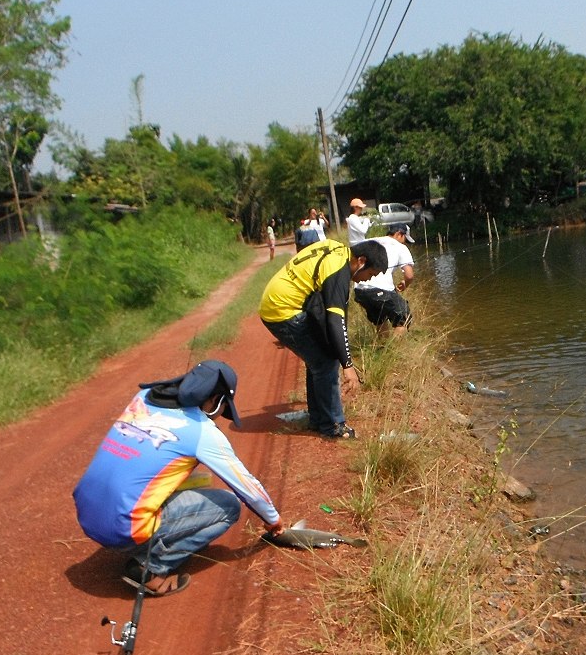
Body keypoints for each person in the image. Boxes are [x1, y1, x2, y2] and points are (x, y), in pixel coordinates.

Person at [73, 360, 284, 597]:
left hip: (85, 513)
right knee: (229, 505)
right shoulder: (203, 431)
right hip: (123, 530)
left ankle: (142, 539)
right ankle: (150, 568)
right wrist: (272, 520)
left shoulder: (142, 397)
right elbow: (247, 487)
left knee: (173, 476)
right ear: (215, 400)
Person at [259, 239, 388, 439]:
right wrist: (348, 366)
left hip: (277, 301)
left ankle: (319, 418)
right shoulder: (338, 270)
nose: (367, 280)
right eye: (370, 274)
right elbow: (335, 321)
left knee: (317, 359)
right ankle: (333, 426)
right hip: (282, 311)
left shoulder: (336, 249)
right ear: (361, 261)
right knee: (326, 363)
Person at [353, 222, 416, 338]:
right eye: (405, 239)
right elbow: (409, 275)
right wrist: (405, 284)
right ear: (399, 234)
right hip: (381, 289)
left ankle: (383, 348)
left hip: (360, 290)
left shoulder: (370, 241)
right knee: (404, 316)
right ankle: (394, 352)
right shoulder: (400, 247)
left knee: (380, 318)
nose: (405, 242)